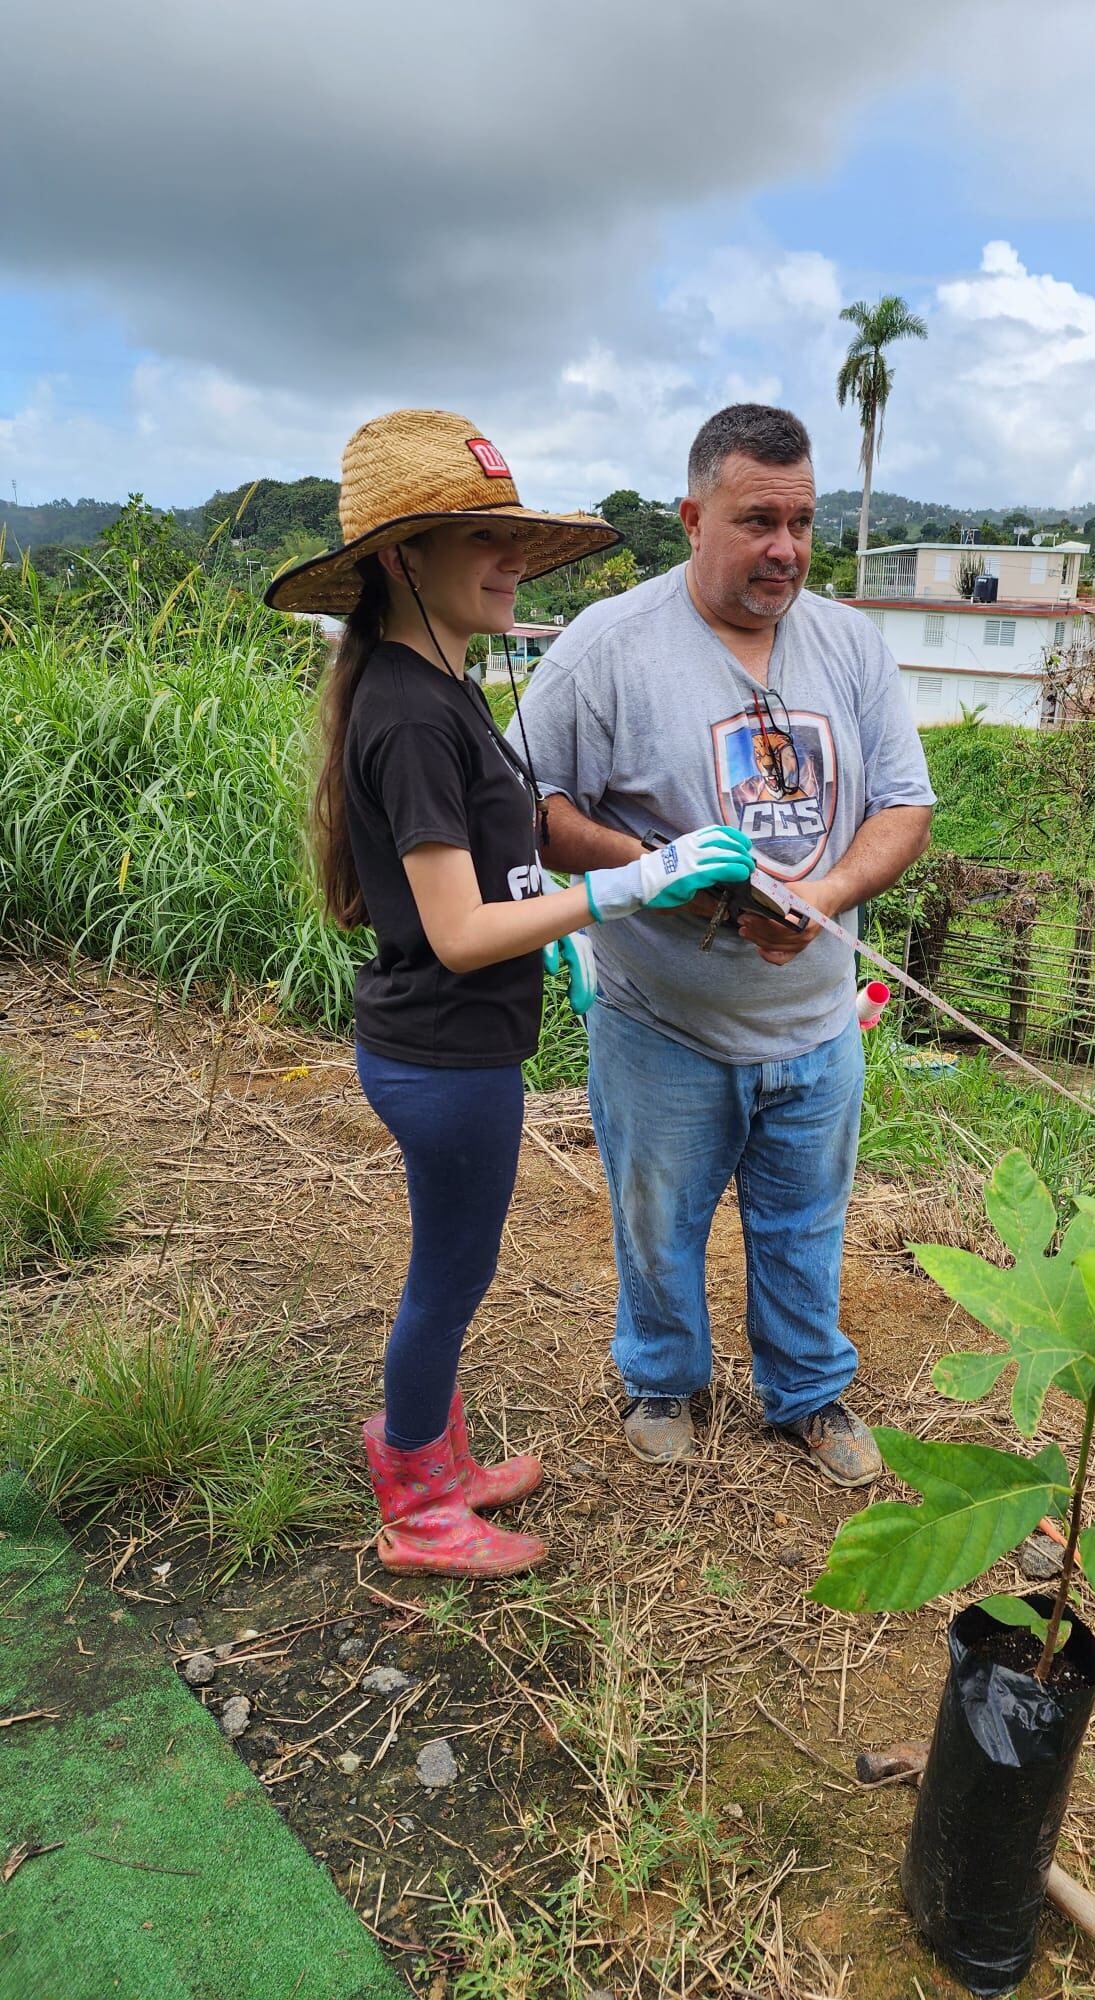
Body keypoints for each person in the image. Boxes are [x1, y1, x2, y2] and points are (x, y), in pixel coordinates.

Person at [265, 408, 754, 1576]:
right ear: (400, 561)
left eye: (515, 542)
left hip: (453, 1042)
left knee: (453, 1265)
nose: (510, 563)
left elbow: (491, 877)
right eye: (482, 542)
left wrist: (558, 936)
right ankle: (416, 1501)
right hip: (442, 1059)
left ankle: (435, 1460)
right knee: (449, 1275)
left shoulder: (439, 684)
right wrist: (631, 885)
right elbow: (459, 929)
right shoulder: (409, 709)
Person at [509, 403, 934, 1485]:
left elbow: (903, 808)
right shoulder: (608, 645)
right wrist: (681, 883)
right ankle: (663, 1378)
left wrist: (823, 895)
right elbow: (524, 800)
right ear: (693, 516)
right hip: (665, 1021)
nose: (784, 548)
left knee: (805, 1226)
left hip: (818, 1021)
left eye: (800, 522)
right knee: (658, 1218)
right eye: (756, 521)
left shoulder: (850, 644)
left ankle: (807, 1394)